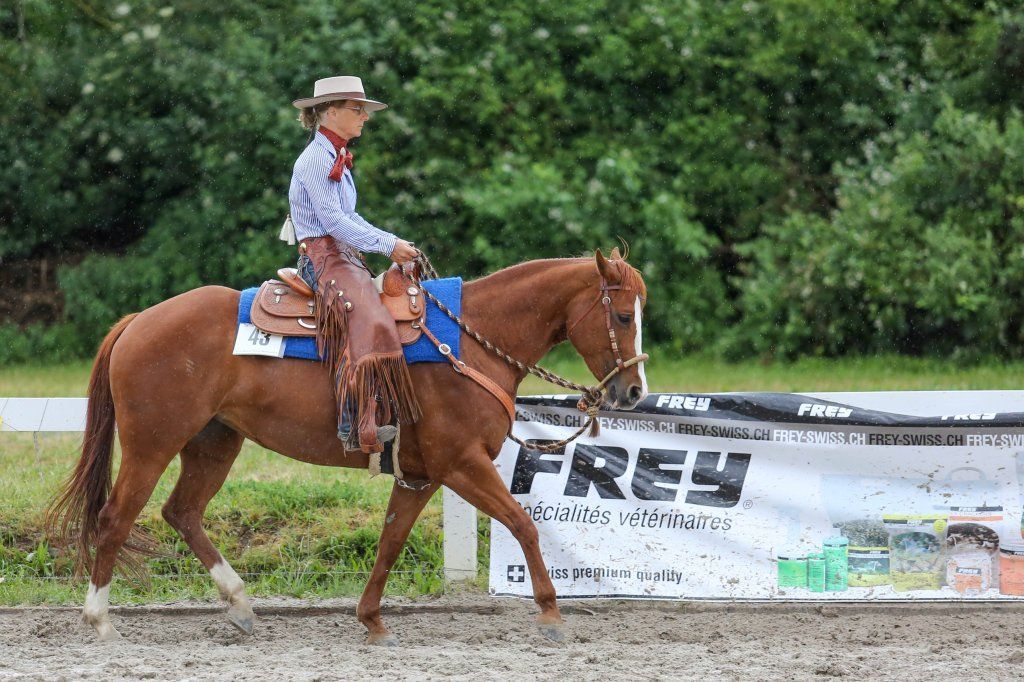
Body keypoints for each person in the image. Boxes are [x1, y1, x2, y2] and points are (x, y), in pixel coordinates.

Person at [287, 76, 421, 454]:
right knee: (371, 318)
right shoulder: (315, 159)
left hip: (343, 256)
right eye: (356, 109)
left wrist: (392, 242)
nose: (365, 116)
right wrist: (387, 245)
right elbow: (334, 223)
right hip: (323, 258)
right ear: (330, 111)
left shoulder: (337, 157)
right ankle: (355, 425)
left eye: (364, 110)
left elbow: (352, 219)